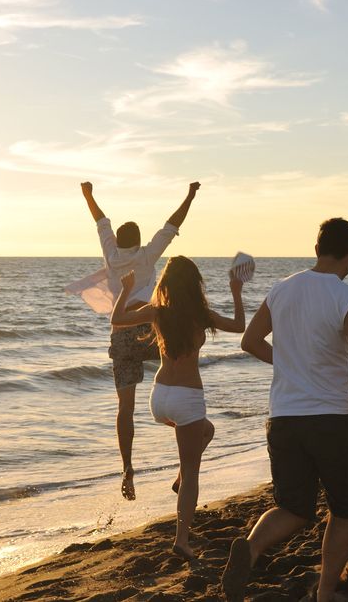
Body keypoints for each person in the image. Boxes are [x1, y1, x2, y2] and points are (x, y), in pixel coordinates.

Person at [222, 218, 348, 602]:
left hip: (284, 419)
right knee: (343, 510)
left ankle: (252, 548)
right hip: (332, 421)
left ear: (317, 247)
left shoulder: (281, 289)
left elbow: (250, 341)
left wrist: (292, 364)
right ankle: (325, 593)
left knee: (292, 507)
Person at [110, 257, 246, 559]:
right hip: (187, 398)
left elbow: (117, 320)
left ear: (167, 284)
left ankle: (179, 480)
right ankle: (182, 540)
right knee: (193, 472)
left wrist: (127, 289)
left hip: (159, 399)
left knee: (206, 431)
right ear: (195, 285)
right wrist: (236, 290)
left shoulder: (157, 312)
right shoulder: (201, 315)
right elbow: (239, 326)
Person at [75, 181, 200, 500]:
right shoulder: (147, 255)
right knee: (179, 383)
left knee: (125, 408)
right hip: (150, 327)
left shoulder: (110, 252)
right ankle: (185, 467)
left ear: (119, 239)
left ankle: (127, 468)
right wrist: (189, 195)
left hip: (122, 332)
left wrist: (89, 194)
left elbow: (100, 221)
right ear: (140, 241)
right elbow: (172, 226)